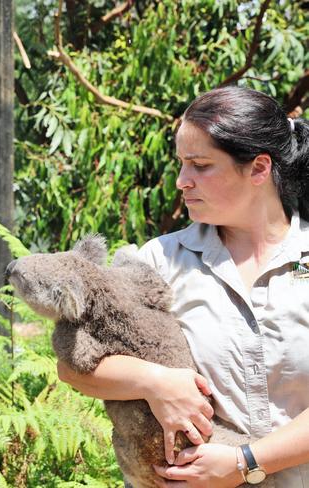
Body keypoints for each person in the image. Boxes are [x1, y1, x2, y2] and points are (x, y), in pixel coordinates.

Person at [58, 86, 309, 487]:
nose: (181, 181)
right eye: (181, 164)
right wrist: (156, 382)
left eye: (200, 165)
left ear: (259, 168)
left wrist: (245, 461)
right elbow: (75, 363)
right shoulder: (158, 261)